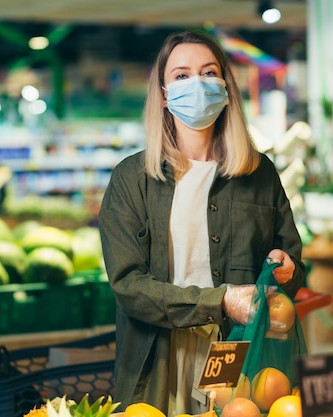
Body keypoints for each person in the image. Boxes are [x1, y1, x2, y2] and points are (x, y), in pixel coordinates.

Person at [98, 29, 305, 416]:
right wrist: (221, 300)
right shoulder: (131, 180)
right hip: (158, 358)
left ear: (226, 85)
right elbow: (128, 286)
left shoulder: (261, 175)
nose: (197, 84)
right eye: (181, 76)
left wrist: (287, 270)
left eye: (209, 72)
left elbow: (292, 265)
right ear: (163, 94)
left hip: (239, 355)